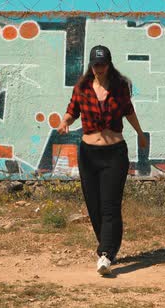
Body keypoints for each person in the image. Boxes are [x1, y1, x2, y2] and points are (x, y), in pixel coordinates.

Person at [57, 45, 148, 276]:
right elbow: (72, 110)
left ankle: (105, 253)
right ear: (91, 65)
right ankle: (110, 247)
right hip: (88, 154)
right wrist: (65, 121)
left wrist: (139, 133)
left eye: (103, 64)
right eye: (95, 65)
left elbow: (128, 111)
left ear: (109, 64)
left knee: (110, 206)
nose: (99, 69)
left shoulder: (119, 87)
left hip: (114, 154)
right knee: (94, 206)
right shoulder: (82, 87)